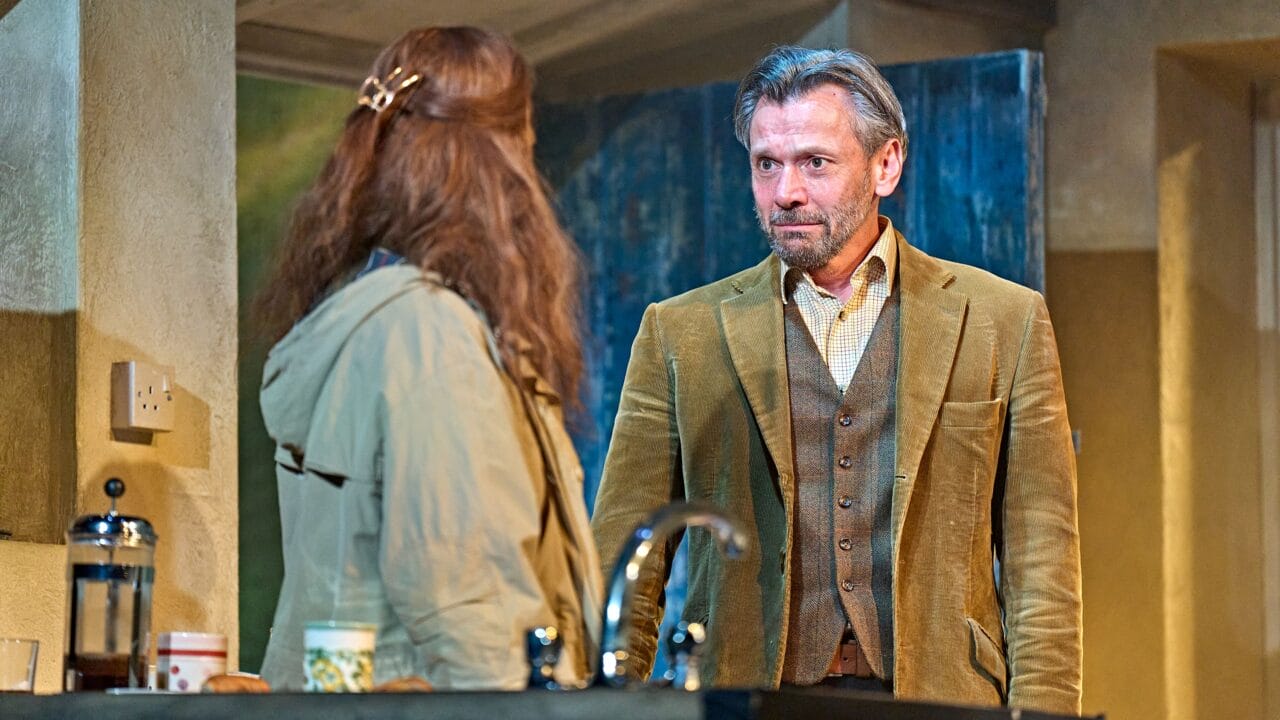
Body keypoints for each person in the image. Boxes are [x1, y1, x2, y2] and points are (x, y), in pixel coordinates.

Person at [590, 46, 1081, 714]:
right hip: (749, 697)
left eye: (814, 162)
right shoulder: (682, 332)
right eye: (767, 164)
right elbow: (626, 560)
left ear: (886, 164)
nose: (786, 191)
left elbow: (1042, 571)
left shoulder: (1003, 320)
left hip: (941, 698)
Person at [254, 26, 601, 691]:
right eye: (525, 144)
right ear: (501, 159)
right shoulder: (429, 335)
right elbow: (468, 602)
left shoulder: (374, 316)